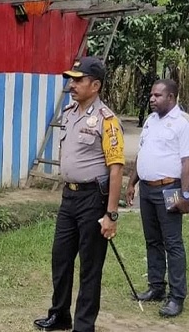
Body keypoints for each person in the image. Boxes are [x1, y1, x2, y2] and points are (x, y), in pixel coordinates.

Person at [34, 56, 124, 332]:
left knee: (90, 266)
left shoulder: (107, 120)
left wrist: (111, 214)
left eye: (78, 80)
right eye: (71, 79)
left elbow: (117, 169)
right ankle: (60, 315)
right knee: (60, 258)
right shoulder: (70, 112)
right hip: (69, 198)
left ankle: (84, 325)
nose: (72, 84)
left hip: (93, 199)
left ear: (95, 85)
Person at [125, 79, 189, 317]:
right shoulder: (151, 121)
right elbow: (142, 153)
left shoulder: (184, 123)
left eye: (157, 95)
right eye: (152, 95)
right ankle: (156, 287)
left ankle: (176, 297)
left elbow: (187, 163)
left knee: (172, 243)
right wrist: (132, 182)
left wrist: (185, 195)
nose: (152, 99)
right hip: (147, 188)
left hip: (170, 188)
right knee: (152, 239)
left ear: (172, 97)